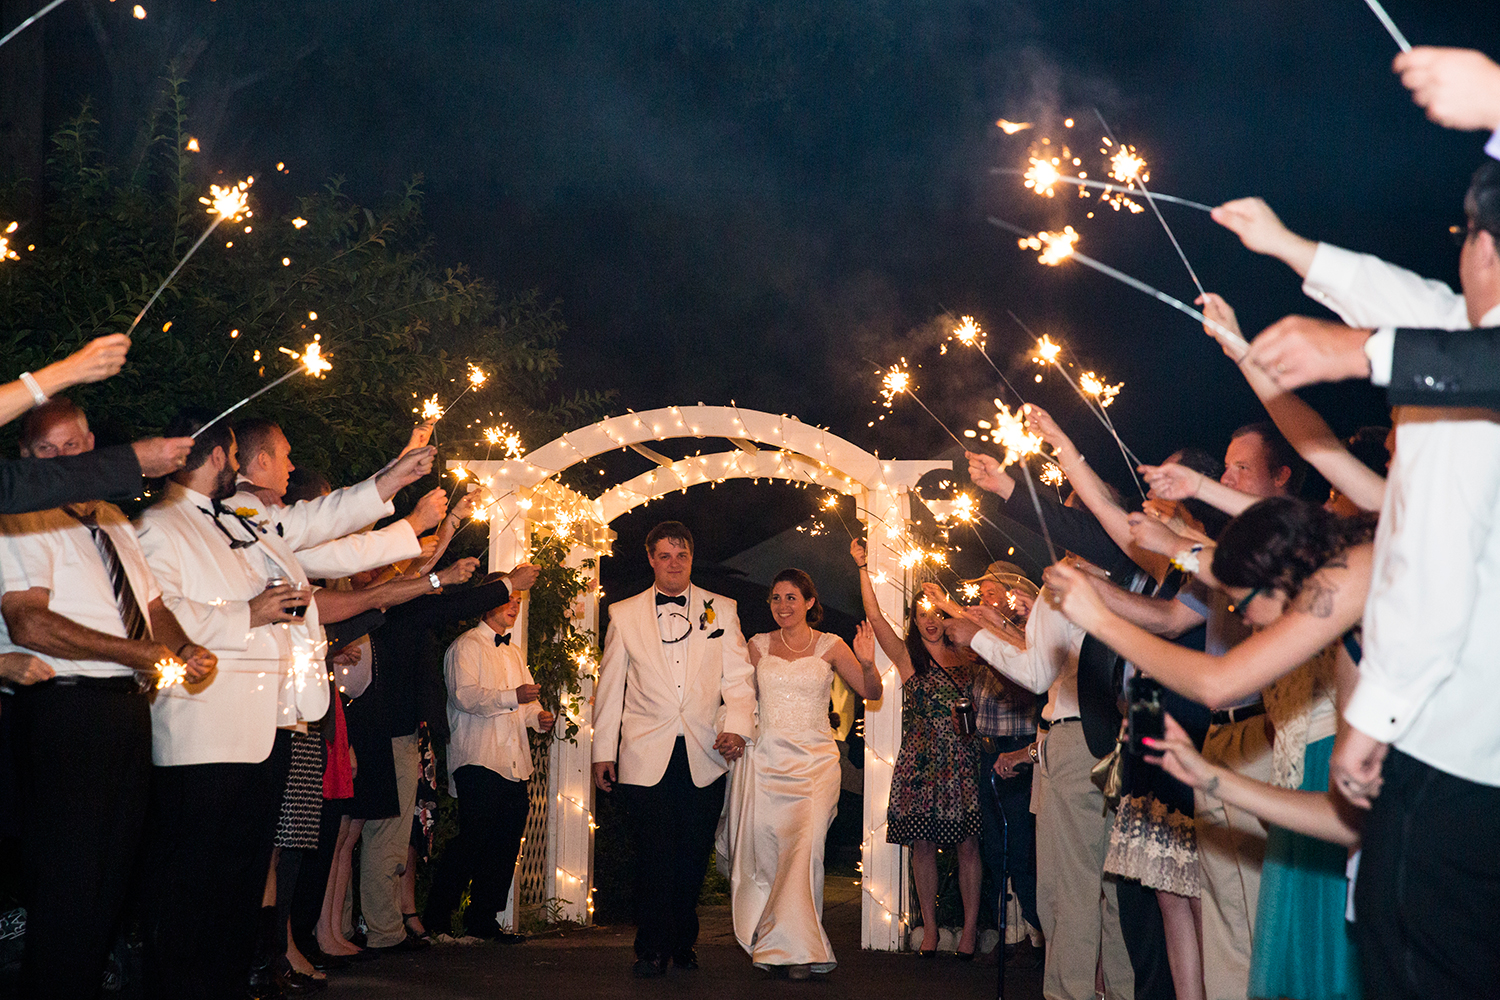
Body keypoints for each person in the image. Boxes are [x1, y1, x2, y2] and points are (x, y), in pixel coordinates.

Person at [1228, 160, 1500, 998]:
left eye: (1462, 236)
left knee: (1419, 960)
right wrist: (1286, 247)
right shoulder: (1456, 337)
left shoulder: (1464, 398)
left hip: (1453, 752)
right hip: (1460, 750)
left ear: (1484, 248)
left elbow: (1432, 569)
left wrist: (1370, 720)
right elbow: (1407, 303)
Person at [133, 409, 432, 999]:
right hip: (203, 730)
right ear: (222, 456)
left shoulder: (241, 523)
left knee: (241, 885)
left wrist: (391, 482)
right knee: (196, 887)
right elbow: (155, 615)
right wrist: (250, 614)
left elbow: (321, 524)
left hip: (266, 727)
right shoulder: (157, 526)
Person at [1048, 496, 1375, 1000]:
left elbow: (1218, 681)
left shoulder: (1351, 608)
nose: (1241, 623)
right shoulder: (1332, 614)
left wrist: (1104, 619)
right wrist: (1208, 776)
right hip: (1311, 807)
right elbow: (1342, 818)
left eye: (1241, 605)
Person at [0, 398, 215, 999]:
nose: (64, 459)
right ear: (25, 459)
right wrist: (142, 654)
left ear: (93, 445)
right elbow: (30, 625)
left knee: (111, 879)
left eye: (73, 447)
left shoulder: (113, 519)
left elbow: (152, 612)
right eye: (46, 452)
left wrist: (185, 649)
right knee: (68, 883)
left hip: (123, 709)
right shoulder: (22, 518)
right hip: (63, 708)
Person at [591, 521, 756, 978]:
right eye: (664, 555)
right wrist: (603, 751)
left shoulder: (721, 608)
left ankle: (682, 941)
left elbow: (739, 679)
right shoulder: (623, 614)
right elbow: (610, 688)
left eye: (681, 555)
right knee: (652, 853)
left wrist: (739, 727)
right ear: (650, 559)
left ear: (690, 557)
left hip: (705, 753)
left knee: (692, 854)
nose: (673, 563)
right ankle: (650, 948)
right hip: (645, 753)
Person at [717, 569, 881, 978]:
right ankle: (772, 939)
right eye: (776, 598)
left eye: (791, 597)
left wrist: (867, 661)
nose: (782, 606)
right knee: (770, 854)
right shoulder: (755, 646)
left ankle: (799, 949)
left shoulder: (830, 645)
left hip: (814, 765)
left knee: (805, 851)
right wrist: (732, 731)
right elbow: (738, 697)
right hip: (766, 762)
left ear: (810, 602)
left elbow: (871, 691)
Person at [850, 539, 984, 960]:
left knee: (968, 846)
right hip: (920, 763)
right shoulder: (908, 658)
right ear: (913, 619)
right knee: (922, 846)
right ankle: (927, 929)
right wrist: (863, 566)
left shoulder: (967, 653)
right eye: (921, 614)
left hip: (962, 761)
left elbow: (998, 639)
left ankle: (969, 932)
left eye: (935, 614)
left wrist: (953, 606)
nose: (929, 621)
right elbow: (873, 615)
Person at [423, 589, 556, 941]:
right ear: (488, 601)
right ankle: (437, 917)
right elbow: (465, 697)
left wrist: (538, 716)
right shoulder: (465, 646)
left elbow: (525, 704)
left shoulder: (513, 650)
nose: (515, 606)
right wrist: (515, 697)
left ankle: (482, 919)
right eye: (508, 599)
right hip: (479, 758)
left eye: (518, 602)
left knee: (505, 841)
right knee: (472, 839)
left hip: (513, 763)